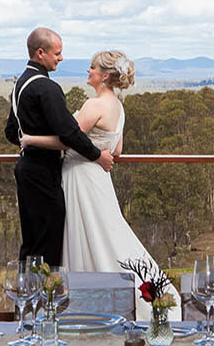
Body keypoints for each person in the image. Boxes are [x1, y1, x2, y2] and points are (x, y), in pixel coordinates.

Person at [21, 50, 181, 321]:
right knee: (108, 233)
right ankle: (148, 297)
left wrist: (30, 139)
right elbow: (116, 150)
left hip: (80, 178)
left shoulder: (94, 105)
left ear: (105, 76)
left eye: (92, 67)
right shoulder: (118, 107)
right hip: (100, 180)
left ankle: (82, 306)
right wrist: (99, 152)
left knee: (87, 235)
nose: (88, 71)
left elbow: (67, 140)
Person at [4, 27, 114, 266]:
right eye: (57, 53)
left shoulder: (21, 84)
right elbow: (70, 133)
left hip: (26, 169)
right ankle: (45, 290)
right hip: (44, 173)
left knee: (31, 242)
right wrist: (97, 155)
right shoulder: (47, 88)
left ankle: (26, 290)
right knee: (48, 242)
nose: (61, 58)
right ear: (40, 53)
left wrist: (30, 144)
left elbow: (11, 132)